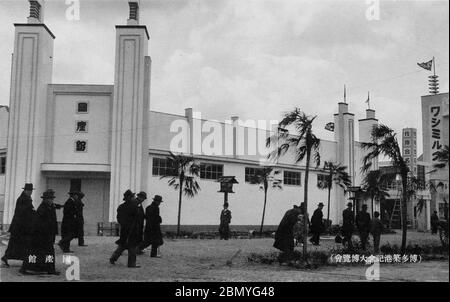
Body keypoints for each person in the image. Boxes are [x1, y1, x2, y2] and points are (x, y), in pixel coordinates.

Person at [21, 189, 60, 275]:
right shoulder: (42, 208)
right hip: (42, 236)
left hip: (47, 235)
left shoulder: (49, 207)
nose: (51, 200)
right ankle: (49, 269)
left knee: (44, 253)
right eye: (50, 198)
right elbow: (40, 223)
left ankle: (47, 269)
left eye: (52, 198)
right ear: (45, 199)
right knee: (45, 253)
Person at [1, 183, 36, 267]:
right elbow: (24, 213)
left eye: (31, 190)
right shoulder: (24, 199)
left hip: (20, 227)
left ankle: (22, 259)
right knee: (18, 244)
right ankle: (8, 258)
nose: (31, 192)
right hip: (20, 227)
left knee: (18, 244)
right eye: (29, 190)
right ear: (26, 190)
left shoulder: (25, 198)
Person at [109, 190, 140, 268]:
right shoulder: (134, 207)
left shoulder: (121, 207)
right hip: (132, 229)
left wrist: (123, 224)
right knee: (132, 246)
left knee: (122, 245)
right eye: (133, 196)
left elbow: (119, 218)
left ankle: (113, 258)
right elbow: (136, 219)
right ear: (130, 197)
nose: (134, 198)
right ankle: (131, 264)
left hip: (124, 229)